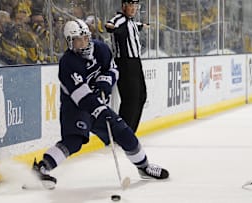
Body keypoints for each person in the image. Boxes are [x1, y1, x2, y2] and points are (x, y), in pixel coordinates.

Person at [32, 19, 169, 189]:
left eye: (85, 37)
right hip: (75, 107)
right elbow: (82, 97)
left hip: (97, 102)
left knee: (124, 132)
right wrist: (99, 108)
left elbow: (113, 69)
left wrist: (107, 80)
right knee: (73, 141)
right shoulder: (68, 63)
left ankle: (144, 167)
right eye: (78, 39)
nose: (83, 42)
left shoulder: (101, 49)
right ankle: (41, 169)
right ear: (69, 42)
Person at [105, 0, 149, 132]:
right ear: (124, 6)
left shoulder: (131, 22)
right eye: (131, 5)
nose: (134, 8)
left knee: (141, 96)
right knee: (131, 98)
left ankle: (129, 131)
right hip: (125, 62)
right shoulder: (119, 19)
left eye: (136, 6)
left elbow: (136, 25)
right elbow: (110, 25)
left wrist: (143, 25)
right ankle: (123, 132)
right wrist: (109, 26)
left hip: (135, 62)